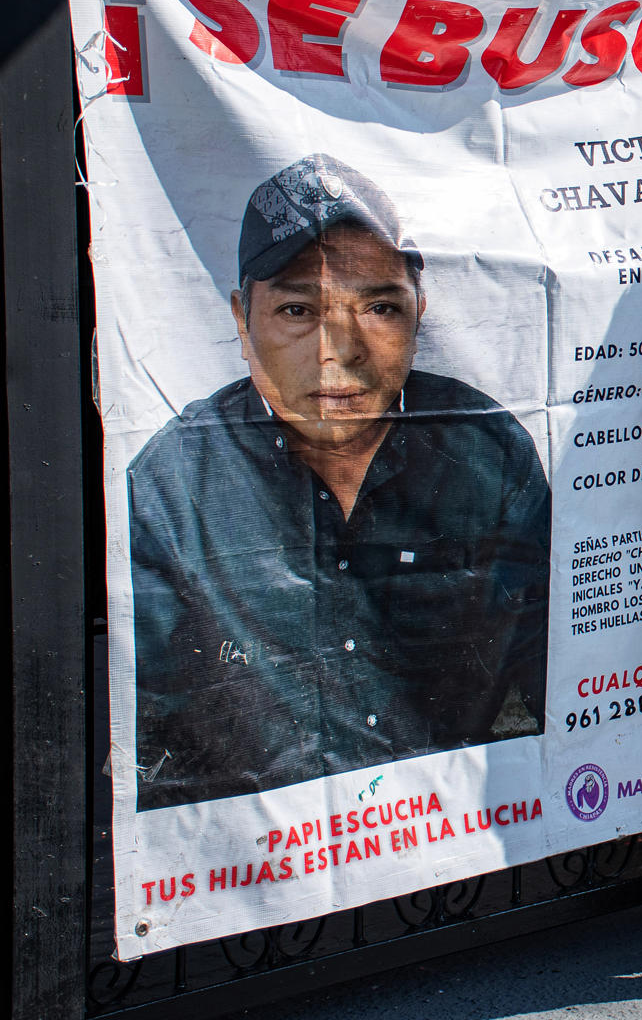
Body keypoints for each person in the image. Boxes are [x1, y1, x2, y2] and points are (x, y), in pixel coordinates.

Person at [130, 154, 550, 811]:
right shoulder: (174, 483)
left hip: (451, 851)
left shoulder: (485, 450)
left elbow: (553, 653)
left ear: (419, 312)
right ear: (243, 321)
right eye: (298, 310)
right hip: (259, 865)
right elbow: (137, 717)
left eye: (378, 306)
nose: (340, 348)